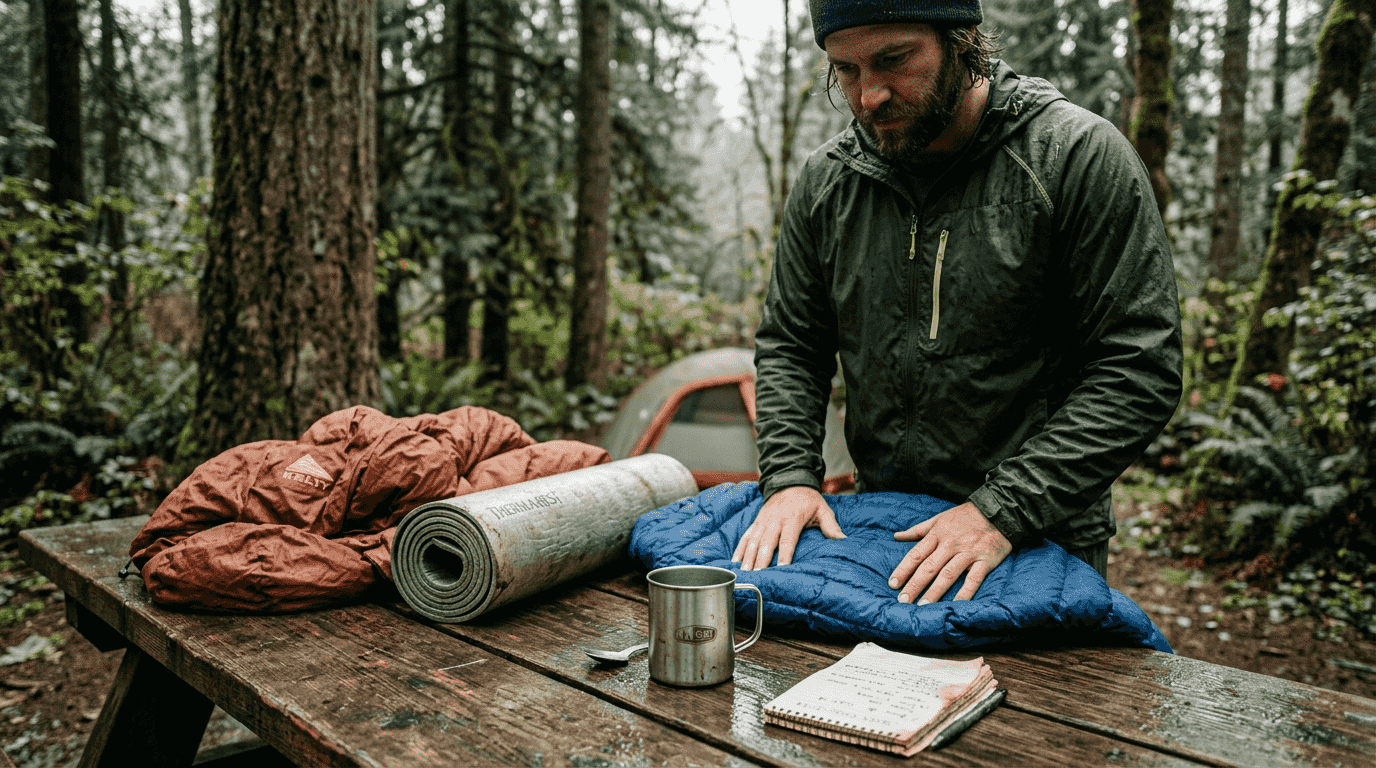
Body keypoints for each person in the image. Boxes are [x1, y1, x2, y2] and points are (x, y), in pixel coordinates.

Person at [732, 0, 1183, 608]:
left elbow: (1138, 367)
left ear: (962, 40)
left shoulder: (1077, 157)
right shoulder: (828, 182)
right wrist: (789, 478)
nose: (869, 97)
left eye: (894, 60)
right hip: (883, 531)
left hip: (1039, 538)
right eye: (845, 70)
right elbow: (792, 344)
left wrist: (1002, 511)